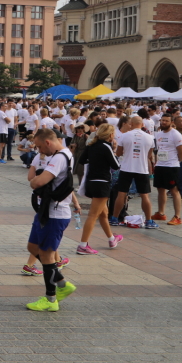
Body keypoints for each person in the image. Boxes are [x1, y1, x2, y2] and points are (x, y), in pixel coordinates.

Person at [24, 128, 77, 312]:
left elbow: (37, 181)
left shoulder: (59, 157)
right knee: (33, 247)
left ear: (48, 142)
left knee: (46, 255)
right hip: (46, 211)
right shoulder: (65, 153)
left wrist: (35, 180)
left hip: (55, 213)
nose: (39, 151)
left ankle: (51, 299)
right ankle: (62, 283)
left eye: (39, 146)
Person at [75, 123, 124, 255]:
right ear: (110, 135)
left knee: (103, 213)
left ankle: (111, 239)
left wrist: (95, 162)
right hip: (102, 183)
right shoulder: (106, 147)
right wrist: (113, 150)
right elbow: (116, 164)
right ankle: (83, 245)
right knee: (93, 215)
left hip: (91, 181)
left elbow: (82, 159)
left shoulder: (91, 145)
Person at [110, 116, 156, 228]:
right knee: (144, 195)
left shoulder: (125, 136)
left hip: (126, 167)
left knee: (121, 194)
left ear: (131, 123)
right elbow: (149, 155)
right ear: (142, 124)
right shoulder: (150, 137)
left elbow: (119, 153)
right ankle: (149, 221)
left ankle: (114, 218)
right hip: (142, 168)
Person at [151, 114, 182, 226]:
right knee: (160, 189)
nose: (164, 122)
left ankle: (177, 217)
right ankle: (161, 213)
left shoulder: (176, 134)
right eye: (162, 120)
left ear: (171, 122)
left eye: (166, 121)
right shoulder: (159, 134)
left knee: (174, 190)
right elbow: (158, 149)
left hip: (172, 166)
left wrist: (175, 162)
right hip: (160, 165)